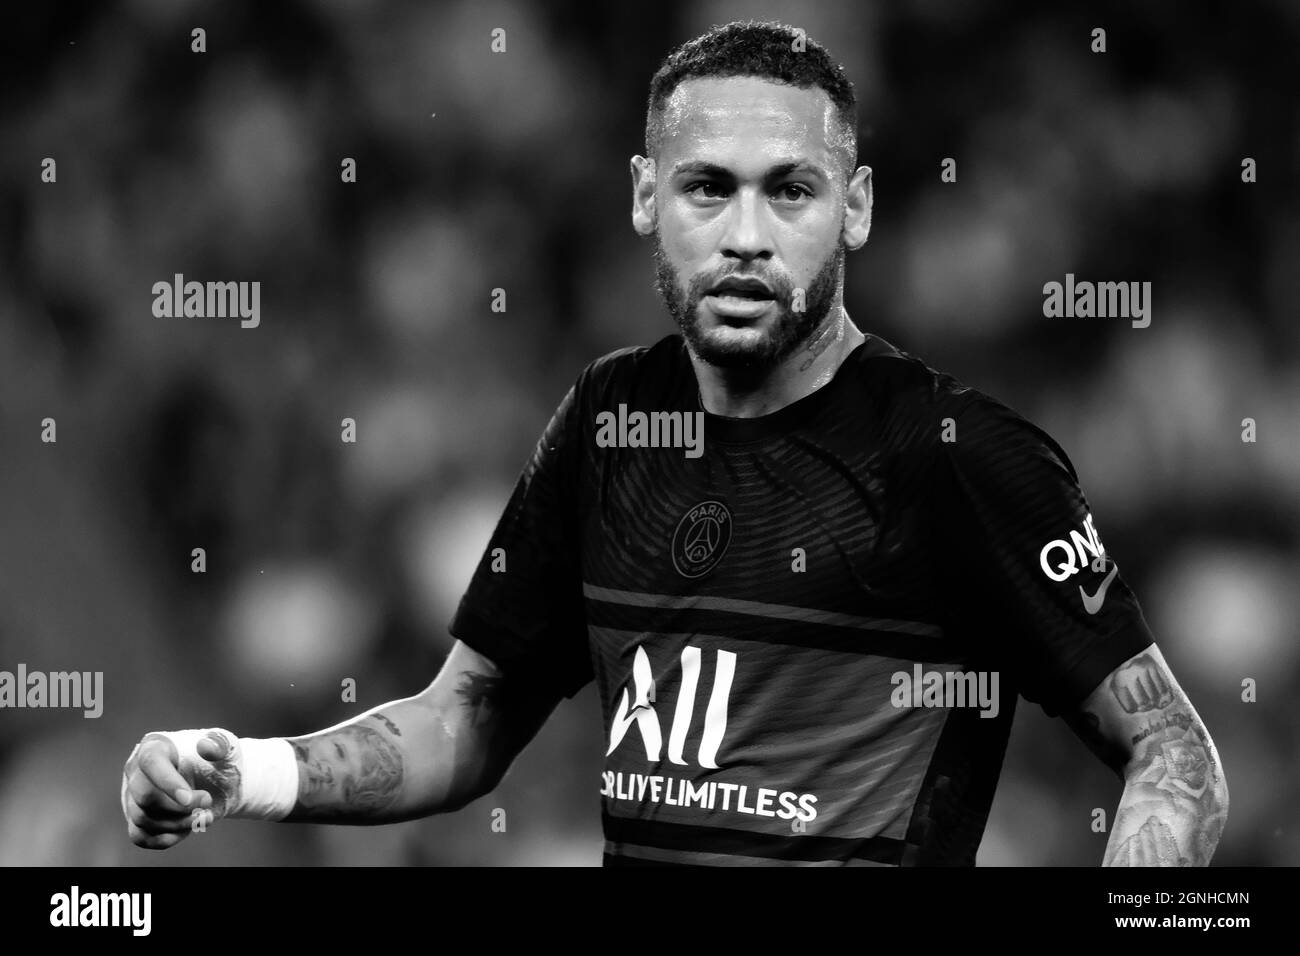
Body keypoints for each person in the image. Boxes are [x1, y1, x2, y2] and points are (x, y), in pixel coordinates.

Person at [122, 20, 1227, 866]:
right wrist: (246, 770)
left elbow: (1172, 750)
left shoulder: (953, 452)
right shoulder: (608, 417)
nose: (747, 235)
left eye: (790, 190)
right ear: (649, 196)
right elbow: (467, 715)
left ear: (857, 207)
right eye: (709, 187)